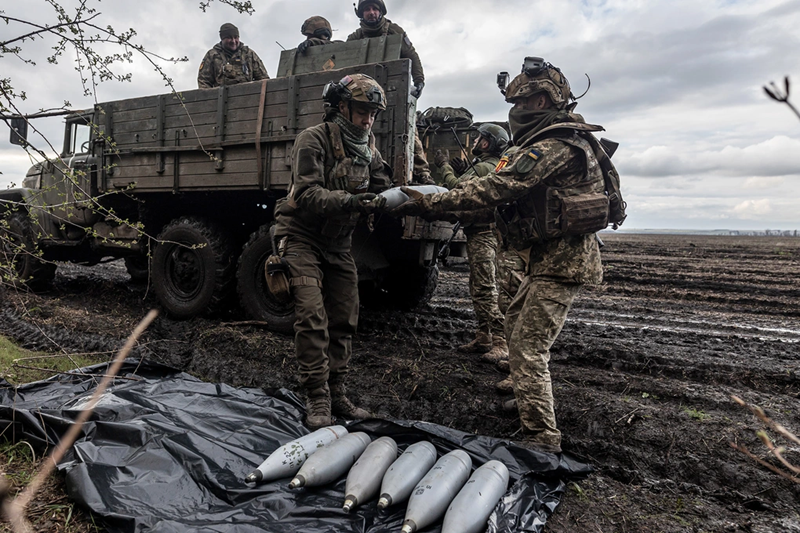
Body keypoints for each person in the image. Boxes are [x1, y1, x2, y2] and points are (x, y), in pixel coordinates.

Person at [390, 58, 614, 452]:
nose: (515, 112)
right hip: (548, 258)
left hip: (563, 262)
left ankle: (542, 438)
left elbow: (497, 188)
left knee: (528, 347)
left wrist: (432, 203)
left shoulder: (556, 144)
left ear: (542, 100)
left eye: (522, 103)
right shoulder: (559, 140)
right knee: (513, 322)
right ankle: (530, 400)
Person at [273, 73, 392, 429]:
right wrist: (353, 199)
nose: (368, 119)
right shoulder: (313, 140)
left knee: (345, 317)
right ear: (341, 106)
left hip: (339, 243)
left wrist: (394, 199)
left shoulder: (369, 148)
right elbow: (307, 195)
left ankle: (337, 392)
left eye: (373, 113)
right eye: (361, 111)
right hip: (301, 236)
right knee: (312, 315)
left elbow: (383, 185)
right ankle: (317, 397)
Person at [432, 124, 511, 366]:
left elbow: (456, 189)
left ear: (487, 143)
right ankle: (484, 337)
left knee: (485, 288)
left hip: (482, 233)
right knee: (479, 285)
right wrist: (466, 170)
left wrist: (443, 166)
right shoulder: (492, 165)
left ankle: (501, 342)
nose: (475, 141)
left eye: (479, 138)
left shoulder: (485, 166)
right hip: (484, 232)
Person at [347, 0, 432, 184]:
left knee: (409, 130)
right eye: (367, 9)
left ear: (381, 11)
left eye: (374, 9)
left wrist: (419, 81)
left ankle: (422, 173)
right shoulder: (355, 37)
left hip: (393, 92)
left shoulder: (395, 31)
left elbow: (412, 55)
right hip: (362, 96)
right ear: (361, 13)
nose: (371, 13)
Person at [197, 23, 269, 89]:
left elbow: (263, 79)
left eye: (236, 37)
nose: (233, 41)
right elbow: (204, 81)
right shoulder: (212, 55)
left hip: (248, 98)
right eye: (229, 38)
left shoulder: (248, 54)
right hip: (220, 99)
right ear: (222, 39)